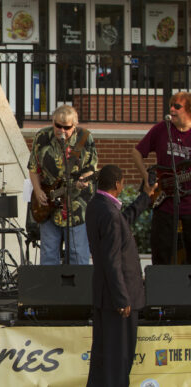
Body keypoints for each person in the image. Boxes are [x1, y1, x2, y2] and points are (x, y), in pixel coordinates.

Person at [86, 164, 154, 386]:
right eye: (123, 182)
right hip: (118, 300)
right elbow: (112, 261)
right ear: (117, 183)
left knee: (103, 360)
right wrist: (122, 298)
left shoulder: (96, 206)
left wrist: (145, 197)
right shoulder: (109, 213)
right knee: (118, 361)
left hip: (104, 296)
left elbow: (123, 222)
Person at [28, 105, 97, 265]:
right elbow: (33, 168)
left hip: (76, 206)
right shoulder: (42, 136)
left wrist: (83, 181)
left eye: (67, 127)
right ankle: (50, 288)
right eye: (58, 125)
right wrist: (38, 191)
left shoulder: (85, 138)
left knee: (77, 255)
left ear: (75, 125)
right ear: (53, 122)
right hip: (49, 205)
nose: (62, 130)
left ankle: (76, 290)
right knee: (48, 254)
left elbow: (91, 168)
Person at [132, 91, 191, 265]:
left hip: (189, 204)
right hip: (163, 202)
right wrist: (146, 179)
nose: (172, 109)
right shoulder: (161, 129)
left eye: (177, 106)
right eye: (171, 105)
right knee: (161, 253)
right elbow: (136, 153)